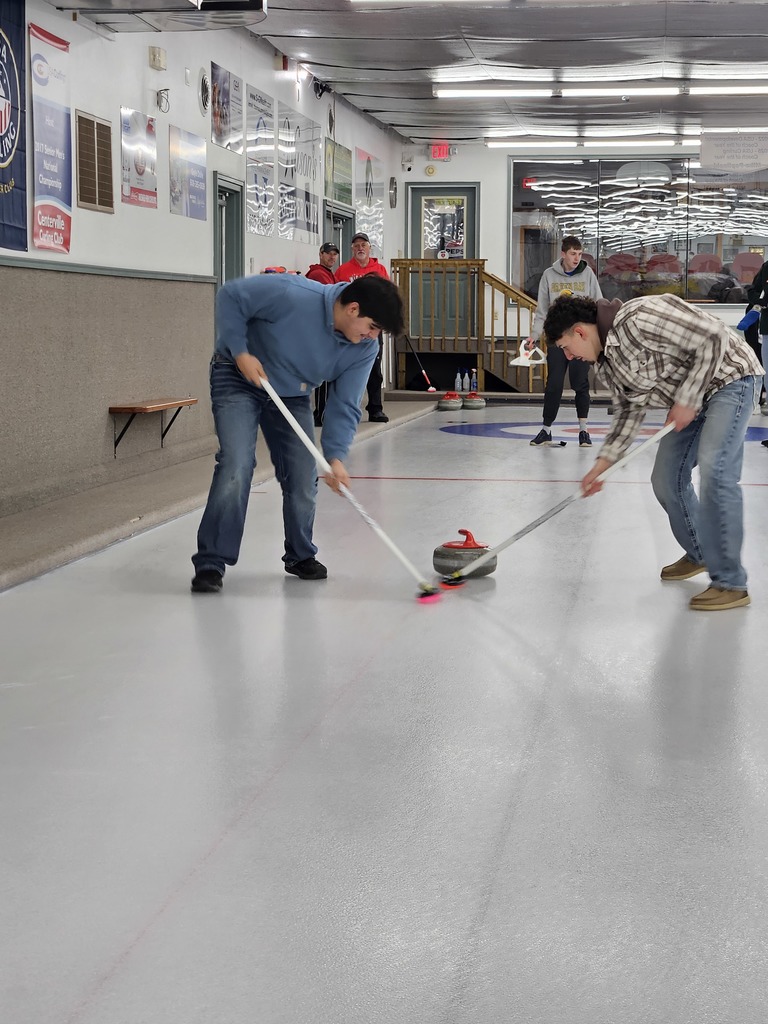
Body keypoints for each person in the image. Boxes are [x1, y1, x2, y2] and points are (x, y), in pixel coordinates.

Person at [542, 293, 763, 611]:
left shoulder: (638, 318)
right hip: (692, 398)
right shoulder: (607, 365)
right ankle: (701, 552)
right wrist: (603, 464)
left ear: (580, 331)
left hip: (731, 378)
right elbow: (629, 411)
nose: (569, 356)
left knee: (716, 471)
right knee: (665, 479)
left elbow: (714, 338)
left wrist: (687, 398)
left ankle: (731, 582)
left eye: (565, 347)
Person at [190, 273, 405, 594]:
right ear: (353, 309)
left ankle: (299, 554)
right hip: (237, 375)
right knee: (237, 463)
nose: (373, 336)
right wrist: (240, 350)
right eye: (372, 326)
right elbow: (230, 296)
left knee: (303, 476)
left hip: (291, 393)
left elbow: (345, 404)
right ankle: (211, 561)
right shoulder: (292, 293)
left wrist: (335, 456)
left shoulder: (364, 349)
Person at [527, 236, 603, 448]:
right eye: (572, 254)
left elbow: (598, 303)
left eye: (579, 254)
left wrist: (599, 335)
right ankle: (546, 429)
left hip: (581, 339)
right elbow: (542, 310)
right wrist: (534, 336)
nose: (577, 258)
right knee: (554, 384)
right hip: (557, 339)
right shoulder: (549, 276)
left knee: (581, 383)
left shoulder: (587, 274)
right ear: (563, 254)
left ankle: (583, 431)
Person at [335, 232, 390, 422]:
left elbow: (387, 297)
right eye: (356, 245)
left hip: (372, 328)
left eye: (363, 245)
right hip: (349, 328)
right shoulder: (343, 270)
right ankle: (347, 410)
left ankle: (376, 408)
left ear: (369, 248)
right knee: (346, 368)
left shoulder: (380, 269)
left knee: (374, 369)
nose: (360, 248)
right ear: (352, 249)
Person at [306, 242, 340, 425]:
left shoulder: (328, 274)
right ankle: (321, 414)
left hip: (325, 328)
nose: (332, 257)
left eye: (334, 254)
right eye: (329, 254)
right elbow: (331, 300)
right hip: (322, 329)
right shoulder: (319, 274)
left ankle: (322, 412)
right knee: (325, 375)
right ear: (321, 254)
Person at [745, 259, 768, 411]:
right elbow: (753, 290)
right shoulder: (767, 267)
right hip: (767, 328)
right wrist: (760, 301)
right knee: (766, 366)